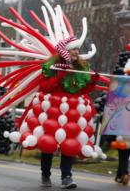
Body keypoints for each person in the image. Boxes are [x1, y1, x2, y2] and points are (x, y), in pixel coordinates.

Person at [39, 40, 99, 189]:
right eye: (73, 49)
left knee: (69, 142)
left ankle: (66, 176)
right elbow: (44, 87)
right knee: (49, 143)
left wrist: (92, 81)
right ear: (65, 51)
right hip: (54, 108)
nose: (76, 52)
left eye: (78, 49)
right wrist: (60, 75)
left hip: (72, 111)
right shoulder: (52, 65)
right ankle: (45, 174)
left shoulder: (81, 67)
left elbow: (83, 91)